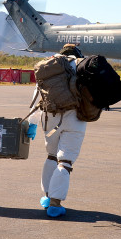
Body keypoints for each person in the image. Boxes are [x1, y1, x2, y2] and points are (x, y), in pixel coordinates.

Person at [31, 43, 88, 218]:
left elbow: (37, 96)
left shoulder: (48, 66)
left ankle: (47, 197)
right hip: (75, 120)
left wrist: (32, 123)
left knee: (51, 156)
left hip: (50, 119)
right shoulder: (81, 66)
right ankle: (55, 204)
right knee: (65, 161)